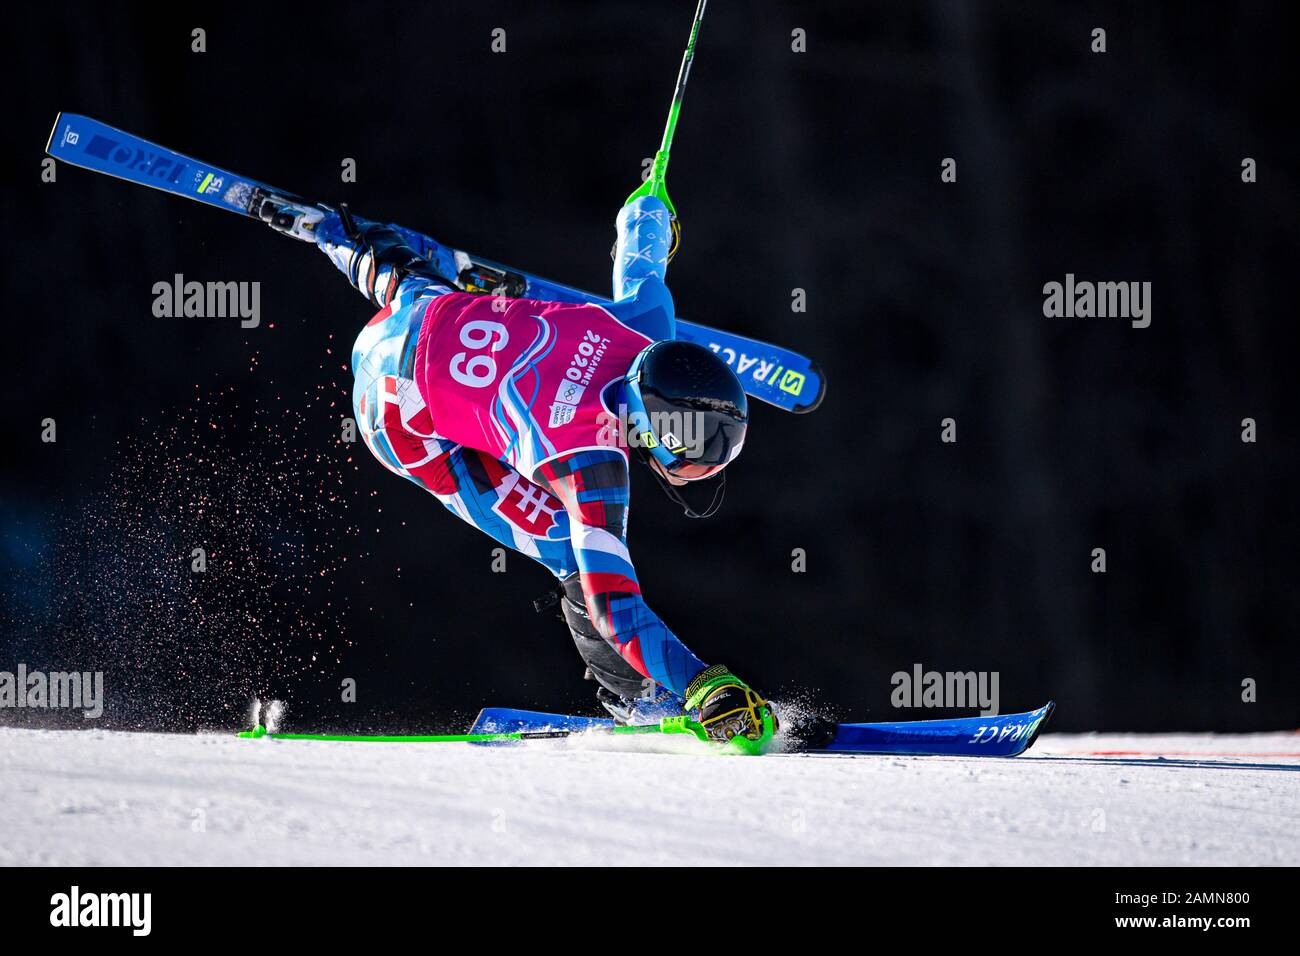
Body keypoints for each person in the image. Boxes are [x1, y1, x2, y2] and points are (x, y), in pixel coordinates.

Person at [282, 194, 775, 750]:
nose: (702, 465)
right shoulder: (589, 463)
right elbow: (610, 603)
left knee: (413, 283)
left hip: (413, 317)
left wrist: (649, 205)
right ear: (645, 426)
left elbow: (641, 259)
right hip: (397, 418)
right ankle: (638, 698)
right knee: (570, 551)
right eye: (692, 447)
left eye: (721, 452)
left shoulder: (645, 326)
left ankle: (352, 245)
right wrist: (701, 686)